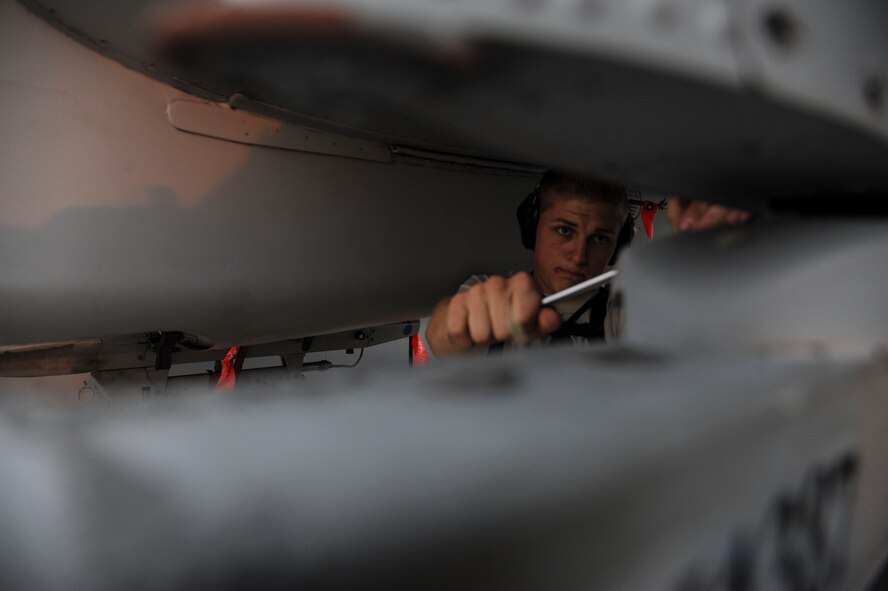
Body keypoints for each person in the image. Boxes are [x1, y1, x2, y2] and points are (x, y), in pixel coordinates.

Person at [426, 171, 632, 357]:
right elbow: (442, 335)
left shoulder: (624, 312)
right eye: (564, 230)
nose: (579, 256)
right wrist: (457, 329)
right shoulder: (491, 294)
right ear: (532, 228)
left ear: (618, 246)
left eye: (600, 239)